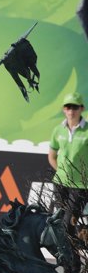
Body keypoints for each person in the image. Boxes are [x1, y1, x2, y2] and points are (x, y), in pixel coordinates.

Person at [48, 92, 88, 247]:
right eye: (68, 107)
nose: (71, 110)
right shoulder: (58, 130)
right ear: (64, 109)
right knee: (60, 222)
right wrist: (61, 172)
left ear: (81, 108)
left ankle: (72, 256)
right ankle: (68, 256)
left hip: (81, 186)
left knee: (68, 223)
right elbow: (52, 156)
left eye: (75, 107)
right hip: (60, 183)